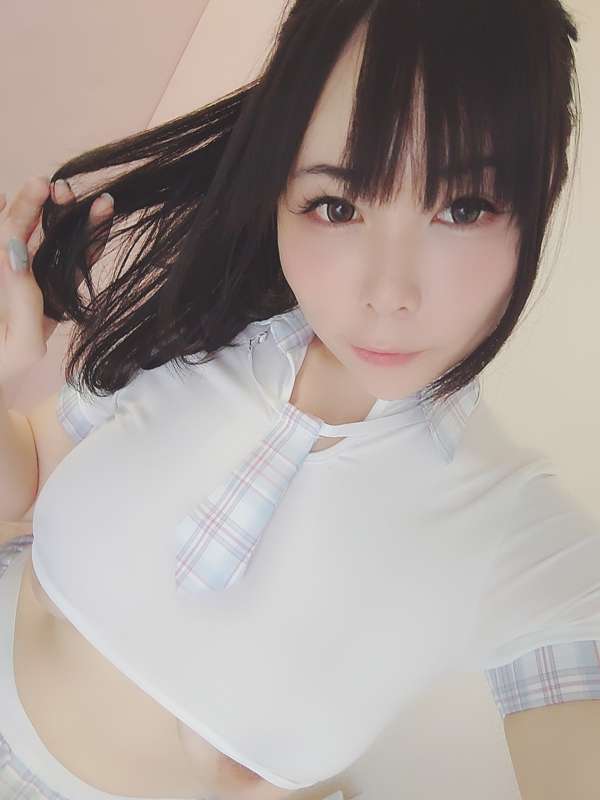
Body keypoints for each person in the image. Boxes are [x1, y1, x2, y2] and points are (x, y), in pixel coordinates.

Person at [0, 1, 596, 799]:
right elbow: (33, 472)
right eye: (337, 206)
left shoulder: (518, 532)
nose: (388, 292)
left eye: (462, 208)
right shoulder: (202, 326)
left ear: (539, 198)